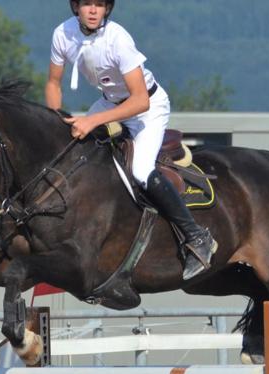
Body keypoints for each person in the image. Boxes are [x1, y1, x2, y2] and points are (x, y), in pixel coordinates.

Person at [46, 0, 217, 280]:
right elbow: (53, 83)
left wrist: (92, 120)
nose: (92, 10)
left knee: (140, 171)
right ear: (75, 7)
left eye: (99, 4)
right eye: (87, 3)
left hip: (146, 107)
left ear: (107, 9)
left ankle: (197, 237)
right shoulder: (62, 34)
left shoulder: (118, 39)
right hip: (109, 102)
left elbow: (140, 101)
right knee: (70, 149)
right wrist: (55, 121)